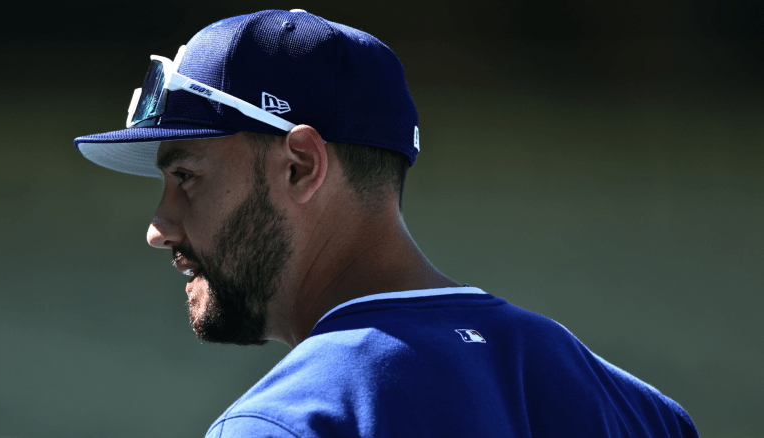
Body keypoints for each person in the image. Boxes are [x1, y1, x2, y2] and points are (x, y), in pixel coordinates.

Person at [74, 9, 699, 438]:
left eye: (186, 177)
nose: (160, 227)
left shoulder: (287, 424)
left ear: (300, 166)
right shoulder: (640, 413)